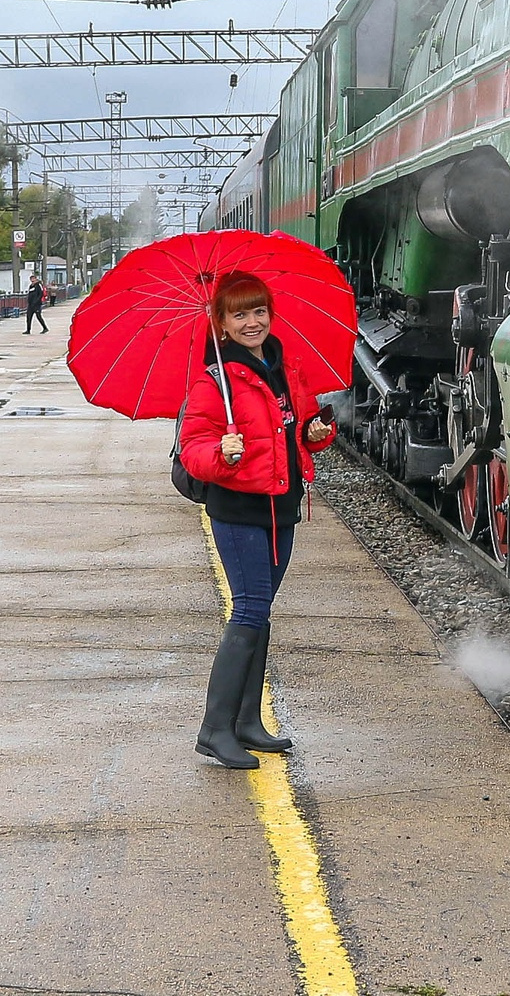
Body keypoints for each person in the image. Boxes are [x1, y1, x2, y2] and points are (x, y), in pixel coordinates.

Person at [175, 270, 337, 769]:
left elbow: (299, 432)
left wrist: (315, 432)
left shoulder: (283, 366)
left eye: (259, 310)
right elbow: (193, 448)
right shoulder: (214, 379)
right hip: (239, 511)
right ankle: (213, 729)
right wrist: (220, 453)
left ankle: (247, 722)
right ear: (221, 323)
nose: (252, 321)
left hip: (281, 508)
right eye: (240, 313)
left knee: (259, 612)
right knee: (247, 611)